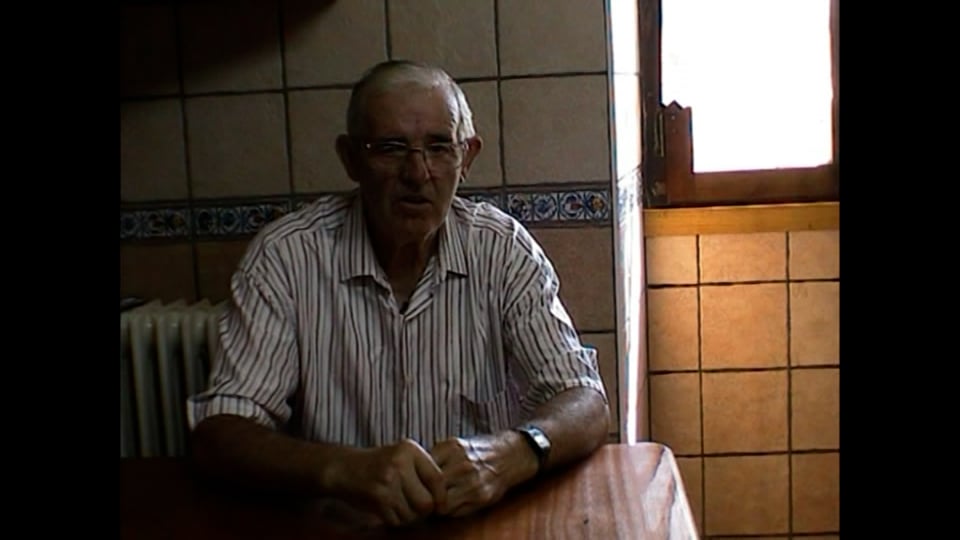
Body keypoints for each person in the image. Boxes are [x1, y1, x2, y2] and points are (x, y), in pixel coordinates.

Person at [186, 59, 610, 527]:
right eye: (389, 148)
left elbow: (585, 400)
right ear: (351, 159)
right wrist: (342, 469)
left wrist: (515, 451)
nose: (418, 172)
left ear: (467, 157)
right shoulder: (288, 257)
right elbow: (218, 434)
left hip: (476, 525)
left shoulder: (502, 249)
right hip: (341, 527)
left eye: (439, 147)